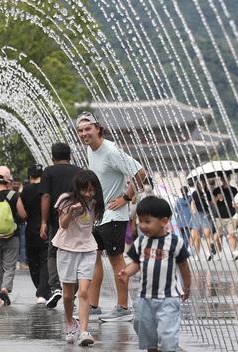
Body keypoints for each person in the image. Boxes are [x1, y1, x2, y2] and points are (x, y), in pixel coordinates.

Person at [76, 111, 147, 322]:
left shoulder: (111, 151)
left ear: (98, 128)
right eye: (80, 131)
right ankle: (94, 305)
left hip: (115, 216)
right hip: (99, 215)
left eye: (88, 129)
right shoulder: (91, 150)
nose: (84, 133)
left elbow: (141, 173)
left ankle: (124, 307)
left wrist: (126, 197)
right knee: (95, 258)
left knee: (116, 261)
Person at [118, 196, 191, 352]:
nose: (142, 226)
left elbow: (183, 265)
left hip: (168, 297)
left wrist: (187, 286)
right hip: (145, 297)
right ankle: (153, 347)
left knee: (167, 334)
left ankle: (170, 347)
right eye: (140, 221)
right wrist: (127, 273)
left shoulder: (174, 242)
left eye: (147, 221)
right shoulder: (141, 242)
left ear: (164, 222)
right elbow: (136, 263)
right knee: (142, 325)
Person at [53, 170, 104, 346]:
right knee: (68, 294)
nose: (88, 194)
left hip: (88, 249)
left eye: (92, 190)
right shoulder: (66, 199)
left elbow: (91, 224)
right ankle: (69, 322)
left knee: (83, 291)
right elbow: (63, 225)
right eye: (85, 190)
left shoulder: (96, 203)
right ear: (78, 188)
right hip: (67, 248)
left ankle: (83, 331)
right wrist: (72, 212)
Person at [40, 142, 82, 309]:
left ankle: (56, 287)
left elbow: (45, 197)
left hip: (55, 220)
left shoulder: (49, 171)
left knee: (54, 253)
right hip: (76, 219)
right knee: (75, 253)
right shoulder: (79, 171)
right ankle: (73, 289)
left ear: (53, 156)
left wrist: (43, 222)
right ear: (69, 156)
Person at [0, 166, 27, 305]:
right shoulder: (14, 195)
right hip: (12, 236)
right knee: (10, 266)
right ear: (8, 180)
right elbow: (22, 215)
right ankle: (5, 288)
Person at [20, 164, 49, 303]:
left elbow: (22, 214)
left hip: (31, 229)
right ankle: (43, 291)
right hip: (47, 228)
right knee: (46, 260)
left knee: (33, 261)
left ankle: (40, 290)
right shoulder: (47, 189)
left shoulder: (25, 190)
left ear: (30, 176)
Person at [212, 175, 238, 259]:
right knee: (219, 236)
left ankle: (234, 252)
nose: (225, 179)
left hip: (231, 216)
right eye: (223, 178)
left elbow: (237, 201)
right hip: (219, 217)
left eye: (226, 177)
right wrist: (217, 198)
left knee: (232, 234)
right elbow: (212, 203)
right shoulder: (216, 190)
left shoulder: (234, 190)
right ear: (221, 179)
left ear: (229, 178)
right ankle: (219, 253)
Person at [190, 179, 215, 261]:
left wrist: (216, 199)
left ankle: (208, 253)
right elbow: (192, 202)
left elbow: (212, 203)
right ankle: (197, 254)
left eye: (203, 183)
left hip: (206, 214)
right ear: (197, 184)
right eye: (200, 183)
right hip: (197, 215)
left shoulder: (208, 193)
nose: (202, 185)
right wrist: (193, 210)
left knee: (207, 234)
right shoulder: (194, 193)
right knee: (197, 236)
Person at [175, 186, 197, 257]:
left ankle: (182, 251)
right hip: (188, 220)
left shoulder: (178, 200)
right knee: (186, 237)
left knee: (182, 237)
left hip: (181, 220)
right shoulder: (191, 199)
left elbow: (176, 210)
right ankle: (184, 251)